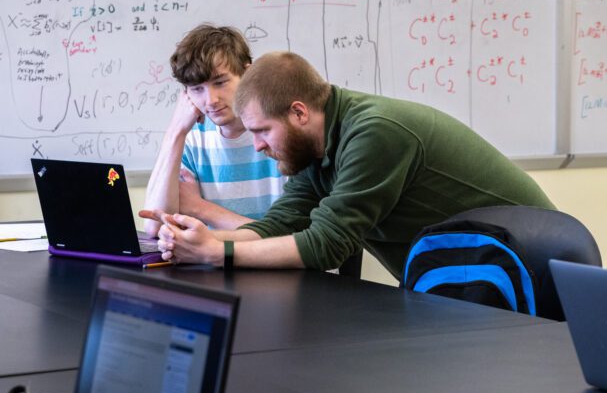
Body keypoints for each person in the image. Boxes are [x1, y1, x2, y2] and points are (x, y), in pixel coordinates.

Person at [141, 51, 555, 280]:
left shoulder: (375, 133)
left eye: (263, 131)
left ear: (299, 112)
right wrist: (202, 247)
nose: (259, 145)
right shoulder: (312, 147)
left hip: (527, 267)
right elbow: (281, 223)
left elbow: (326, 245)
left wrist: (218, 254)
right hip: (471, 273)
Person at [142, 25, 286, 238]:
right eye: (196, 89)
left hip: (277, 267)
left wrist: (199, 208)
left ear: (248, 74)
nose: (211, 101)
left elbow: (293, 240)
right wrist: (175, 132)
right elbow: (154, 228)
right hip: (214, 265)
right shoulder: (192, 139)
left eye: (220, 82)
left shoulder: (282, 132)